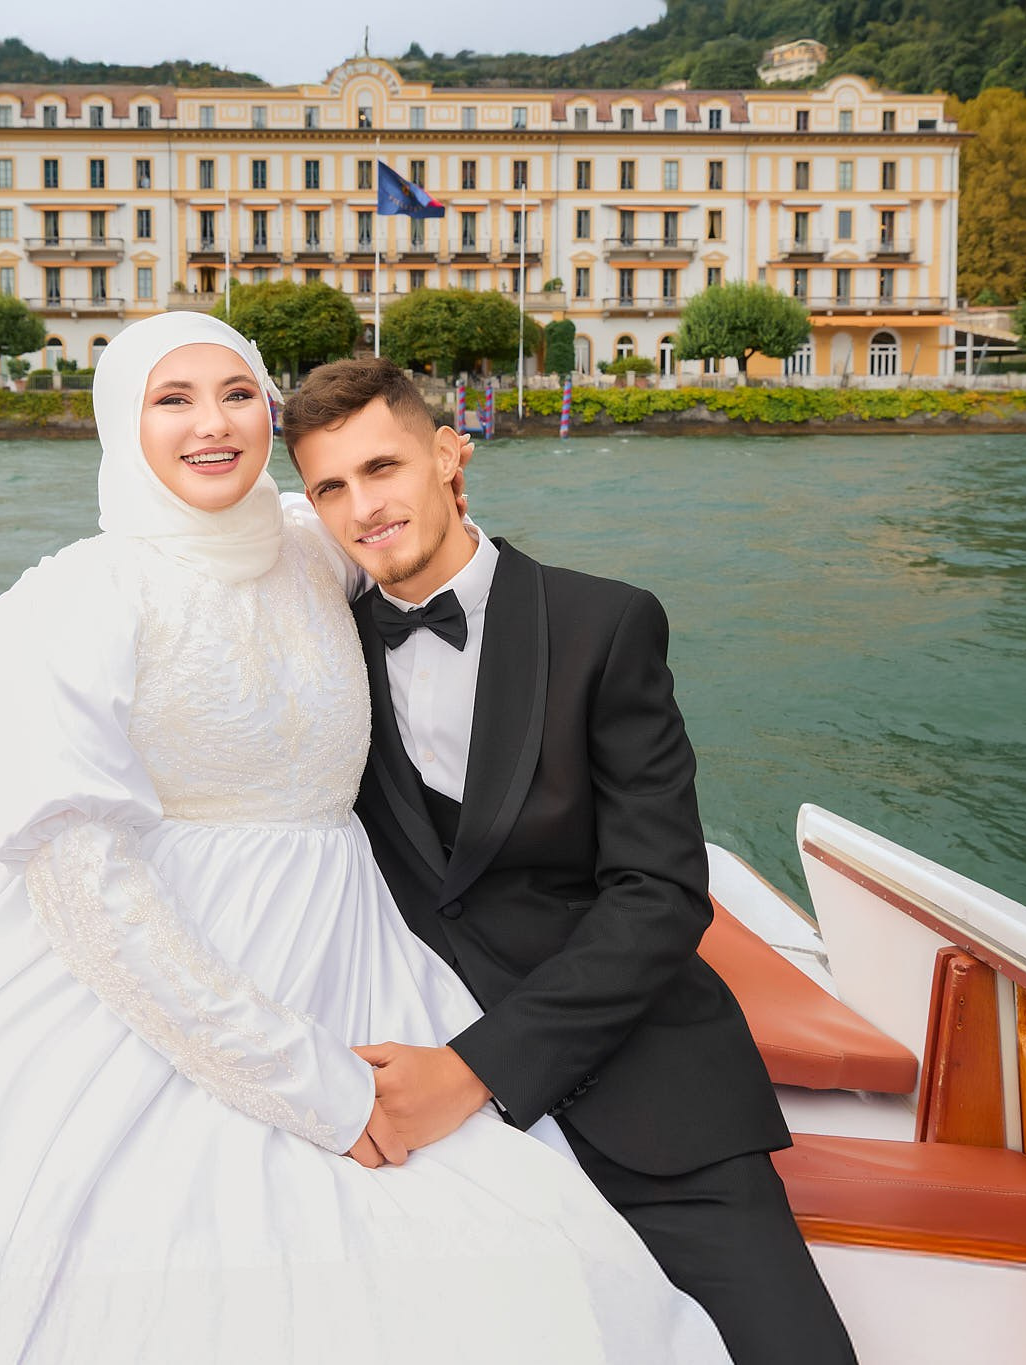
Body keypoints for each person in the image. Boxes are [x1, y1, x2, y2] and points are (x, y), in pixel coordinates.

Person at [0, 314, 730, 1363]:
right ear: (122, 421)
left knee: (496, 1240)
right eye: (172, 398)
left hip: (355, 942)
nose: (211, 424)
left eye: (235, 394)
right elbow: (88, 893)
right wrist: (303, 1080)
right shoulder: (64, 606)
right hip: (144, 964)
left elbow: (426, 539)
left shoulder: (312, 540)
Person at [283, 358, 858, 1365]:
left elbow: (660, 895)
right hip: (427, 1102)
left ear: (449, 455)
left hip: (643, 1085)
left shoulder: (604, 623)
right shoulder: (319, 654)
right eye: (330, 486)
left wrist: (476, 1069)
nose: (362, 508)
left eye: (382, 467)